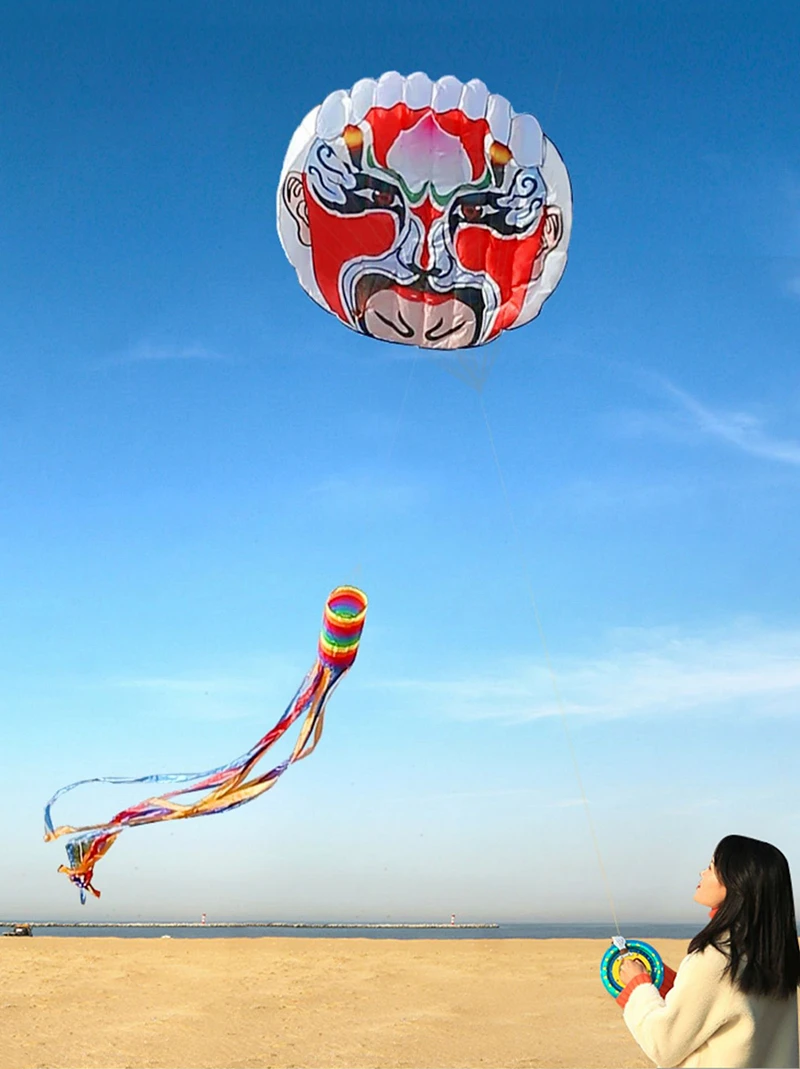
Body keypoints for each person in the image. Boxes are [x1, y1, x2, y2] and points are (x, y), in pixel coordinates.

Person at [616, 835, 800, 1068]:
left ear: (737, 882)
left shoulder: (717, 957)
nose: (702, 873)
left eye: (712, 867)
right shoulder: (776, 956)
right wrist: (667, 983)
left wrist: (638, 986)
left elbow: (663, 1044)